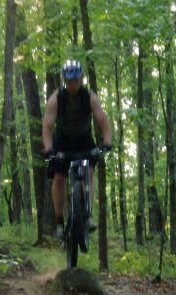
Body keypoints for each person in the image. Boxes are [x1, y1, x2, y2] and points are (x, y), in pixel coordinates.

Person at [42, 59, 112, 239]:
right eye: (69, 81)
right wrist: (49, 149)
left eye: (76, 80)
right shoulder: (56, 99)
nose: (72, 84)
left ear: (81, 79)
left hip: (84, 140)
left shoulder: (89, 97)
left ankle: (87, 214)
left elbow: (102, 119)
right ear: (64, 81)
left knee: (88, 172)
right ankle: (59, 221)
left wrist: (106, 142)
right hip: (63, 142)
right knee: (58, 178)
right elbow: (48, 126)